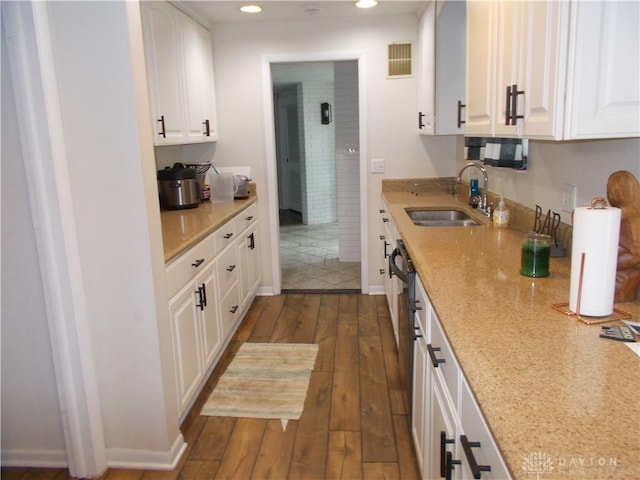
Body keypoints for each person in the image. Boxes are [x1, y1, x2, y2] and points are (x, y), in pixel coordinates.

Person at [607, 170, 640, 302]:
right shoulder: (635, 211)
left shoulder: (622, 213)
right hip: (633, 256)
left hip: (630, 257)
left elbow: (603, 219)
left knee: (602, 265)